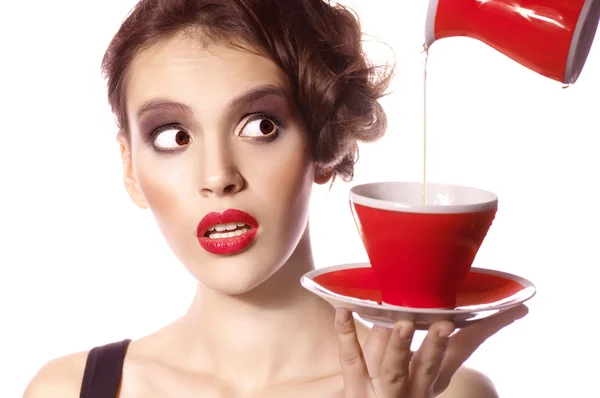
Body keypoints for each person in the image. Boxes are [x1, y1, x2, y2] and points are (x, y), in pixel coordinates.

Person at [24, 0, 527, 396]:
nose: (218, 177)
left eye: (260, 125)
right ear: (131, 168)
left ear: (325, 144)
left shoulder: (443, 393)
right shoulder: (67, 392)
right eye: (174, 136)